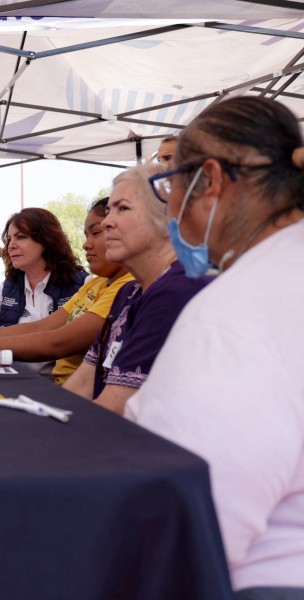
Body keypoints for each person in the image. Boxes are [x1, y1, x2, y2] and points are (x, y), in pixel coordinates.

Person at [125, 96, 304, 597]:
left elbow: (188, 528)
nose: (170, 205)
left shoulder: (233, 314)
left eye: (170, 183)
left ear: (212, 180)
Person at [61, 163, 211, 415]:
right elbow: (82, 385)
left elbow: (113, 413)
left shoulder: (178, 289)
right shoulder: (129, 292)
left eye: (123, 208)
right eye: (109, 211)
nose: (107, 222)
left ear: (169, 219)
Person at [0, 198, 133, 383]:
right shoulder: (94, 285)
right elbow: (40, 328)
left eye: (97, 232)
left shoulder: (105, 284)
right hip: (37, 383)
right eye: (9, 239)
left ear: (46, 242)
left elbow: (57, 341)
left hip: (49, 387)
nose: (86, 244)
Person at [0, 207, 87, 332]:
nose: (11, 246)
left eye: (21, 237)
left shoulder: (84, 285)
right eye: (9, 239)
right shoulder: (9, 287)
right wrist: (13, 337)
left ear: (47, 240)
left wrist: (10, 337)